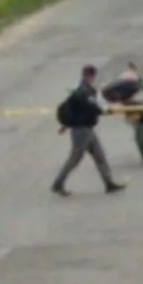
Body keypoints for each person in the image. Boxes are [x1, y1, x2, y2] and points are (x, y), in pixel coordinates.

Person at [52, 65, 125, 196]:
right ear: (90, 76)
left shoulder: (78, 89)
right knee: (75, 158)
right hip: (82, 131)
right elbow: (91, 108)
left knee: (99, 156)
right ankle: (58, 183)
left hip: (86, 129)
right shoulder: (85, 91)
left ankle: (109, 183)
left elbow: (73, 109)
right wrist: (106, 111)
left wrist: (65, 125)